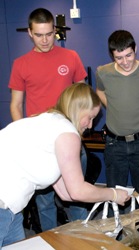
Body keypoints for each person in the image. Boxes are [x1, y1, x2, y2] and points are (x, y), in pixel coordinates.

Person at [0, 83, 130, 247]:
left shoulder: (48, 120)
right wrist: (113, 194)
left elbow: (66, 194)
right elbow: (78, 191)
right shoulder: (68, 134)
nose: (90, 125)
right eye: (90, 118)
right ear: (78, 109)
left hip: (11, 207)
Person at [8, 8, 88, 231]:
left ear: (55, 31)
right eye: (39, 35)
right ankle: (50, 242)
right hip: (40, 144)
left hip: (69, 139)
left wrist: (79, 130)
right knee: (44, 204)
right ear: (30, 34)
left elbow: (84, 98)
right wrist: (24, 137)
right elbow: (16, 105)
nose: (44, 40)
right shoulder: (20, 63)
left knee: (76, 197)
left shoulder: (71, 57)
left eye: (49, 34)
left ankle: (81, 239)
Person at [96, 29, 139, 203]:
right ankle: (118, 230)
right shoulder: (103, 72)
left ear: (135, 49)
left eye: (129, 55)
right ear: (112, 56)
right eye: (119, 57)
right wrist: (112, 106)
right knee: (115, 198)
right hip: (114, 144)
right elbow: (100, 91)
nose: (125, 62)